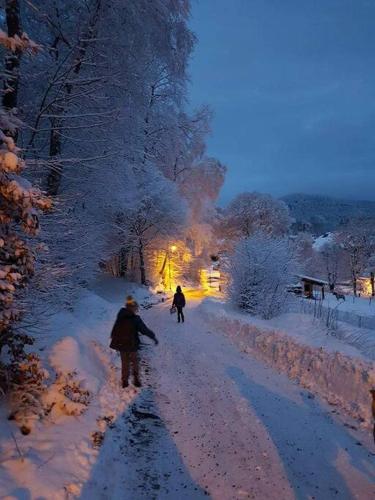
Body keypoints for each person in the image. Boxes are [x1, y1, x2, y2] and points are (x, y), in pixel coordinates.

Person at [110, 295, 158, 388]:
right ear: (133, 308)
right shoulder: (136, 319)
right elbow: (144, 330)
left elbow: (115, 329)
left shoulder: (120, 316)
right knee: (135, 362)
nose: (136, 310)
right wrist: (153, 337)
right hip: (132, 345)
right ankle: (136, 379)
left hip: (121, 345)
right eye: (136, 308)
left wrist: (114, 340)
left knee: (125, 363)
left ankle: (124, 381)